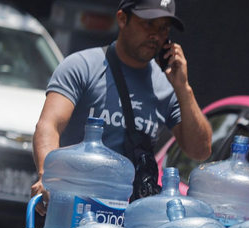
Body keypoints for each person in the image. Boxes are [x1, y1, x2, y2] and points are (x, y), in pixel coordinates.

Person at [31, 0, 212, 212]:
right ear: (122, 19)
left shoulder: (168, 86)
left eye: (163, 28)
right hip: (75, 210)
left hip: (129, 222)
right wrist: (47, 177)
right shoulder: (82, 67)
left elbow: (200, 151)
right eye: (149, 23)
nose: (156, 35)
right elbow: (48, 125)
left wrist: (184, 88)